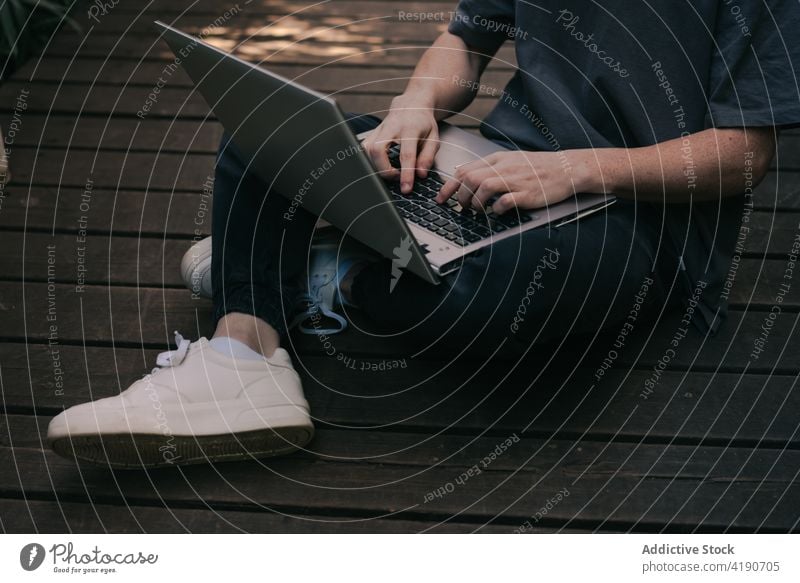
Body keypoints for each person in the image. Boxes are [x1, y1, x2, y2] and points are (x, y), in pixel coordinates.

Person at [48, 1, 799, 467]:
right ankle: (246, 356)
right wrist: (415, 105)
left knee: (491, 292)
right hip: (490, 167)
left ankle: (301, 271)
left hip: (634, 220)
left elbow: (745, 156)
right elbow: (465, 42)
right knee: (264, 135)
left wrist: (574, 169)